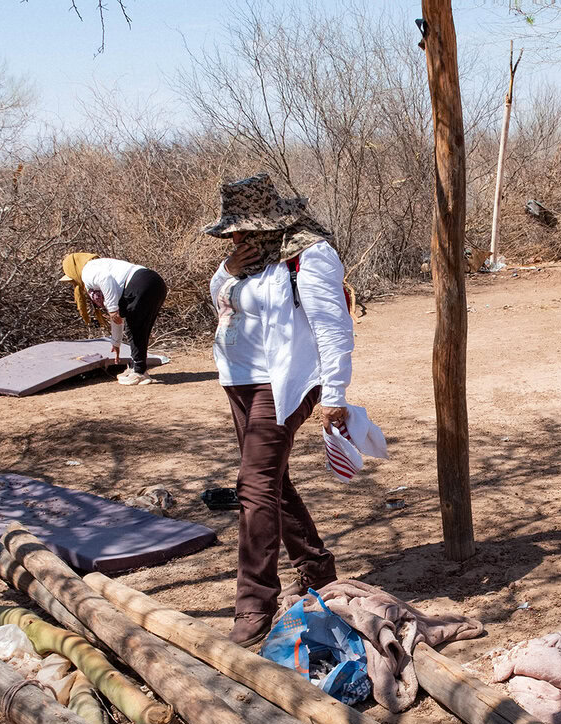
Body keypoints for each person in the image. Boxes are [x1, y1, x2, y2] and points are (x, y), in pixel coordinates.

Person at [203, 172, 353, 647]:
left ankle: (254, 604)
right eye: (232, 233)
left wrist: (335, 393)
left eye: (244, 230)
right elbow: (220, 301)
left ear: (271, 224)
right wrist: (228, 270)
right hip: (241, 380)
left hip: (287, 383)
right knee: (271, 480)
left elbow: (333, 326)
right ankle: (316, 570)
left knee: (253, 485)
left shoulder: (308, 255)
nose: (238, 239)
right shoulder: (245, 261)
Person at [59, 252, 167, 386]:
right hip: (154, 283)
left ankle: (139, 372)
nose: (74, 284)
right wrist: (116, 343)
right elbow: (118, 318)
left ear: (73, 269)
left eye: (72, 280)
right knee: (139, 328)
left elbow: (105, 279)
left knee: (135, 328)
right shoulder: (101, 265)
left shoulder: (87, 271)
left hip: (140, 284)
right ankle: (136, 367)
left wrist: (112, 308)